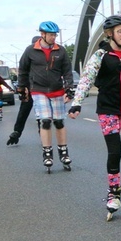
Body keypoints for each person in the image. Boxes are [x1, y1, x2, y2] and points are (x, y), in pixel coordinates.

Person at [68, 15, 121, 220]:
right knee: (115, 152)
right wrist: (77, 102)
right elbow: (86, 79)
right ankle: (114, 192)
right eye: (120, 31)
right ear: (110, 34)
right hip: (107, 110)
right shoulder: (100, 55)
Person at [17, 22, 74, 171]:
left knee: (59, 122)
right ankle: (47, 153)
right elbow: (23, 70)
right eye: (51, 35)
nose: (53, 38)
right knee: (45, 121)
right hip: (39, 90)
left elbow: (67, 71)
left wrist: (69, 89)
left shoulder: (60, 51)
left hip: (57, 90)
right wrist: (22, 88)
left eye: (55, 35)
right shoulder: (30, 50)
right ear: (42, 34)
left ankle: (63, 152)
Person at [7, 37, 38, 146]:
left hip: (33, 88)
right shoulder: (30, 53)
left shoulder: (30, 53)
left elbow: (22, 72)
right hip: (33, 88)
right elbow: (22, 72)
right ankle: (41, 131)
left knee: (24, 112)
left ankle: (17, 132)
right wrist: (21, 89)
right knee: (40, 112)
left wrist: (21, 88)